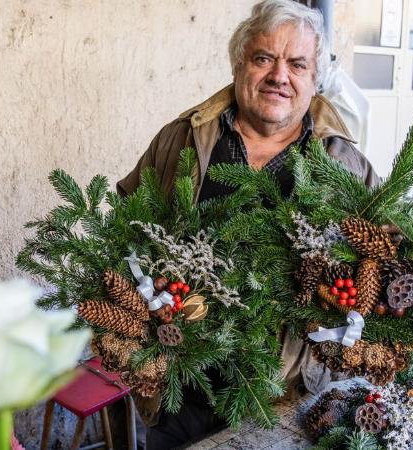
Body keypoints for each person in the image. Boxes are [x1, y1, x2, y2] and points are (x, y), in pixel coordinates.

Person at [118, 1, 378, 447]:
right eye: (264, 58)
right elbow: (125, 225)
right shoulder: (181, 139)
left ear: (314, 80)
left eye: (297, 64)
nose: (280, 76)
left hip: (286, 396)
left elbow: (382, 267)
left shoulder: (347, 166)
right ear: (239, 64)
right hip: (178, 387)